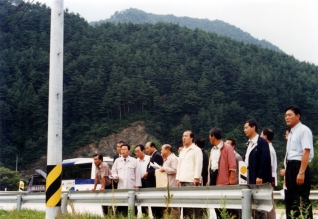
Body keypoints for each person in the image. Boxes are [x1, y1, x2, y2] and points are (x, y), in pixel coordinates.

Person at [283, 106, 314, 219]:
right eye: (285, 115)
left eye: (290, 115)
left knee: (301, 199)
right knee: (290, 199)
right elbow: (289, 154)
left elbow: (306, 151)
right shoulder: (291, 133)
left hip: (299, 166)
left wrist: (301, 172)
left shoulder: (304, 130)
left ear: (298, 116)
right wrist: (286, 173)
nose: (287, 117)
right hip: (290, 166)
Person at [243, 119, 272, 219]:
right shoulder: (249, 143)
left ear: (253, 127)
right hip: (249, 177)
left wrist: (260, 175)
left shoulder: (261, 142)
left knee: (259, 207)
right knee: (252, 206)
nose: (244, 130)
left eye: (246, 128)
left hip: (258, 179)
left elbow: (264, 160)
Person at [207, 128, 237, 219]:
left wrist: (231, 181)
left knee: (225, 206)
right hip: (213, 178)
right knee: (216, 205)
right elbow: (211, 165)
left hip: (224, 180)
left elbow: (232, 165)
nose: (209, 138)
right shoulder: (213, 149)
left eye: (210, 136)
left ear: (213, 137)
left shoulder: (227, 148)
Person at [176, 130, 203, 218]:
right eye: (183, 136)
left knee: (196, 203)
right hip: (183, 179)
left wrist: (196, 177)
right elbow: (179, 165)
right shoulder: (182, 150)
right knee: (186, 203)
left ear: (191, 138)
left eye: (186, 136)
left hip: (192, 180)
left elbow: (198, 164)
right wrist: (178, 178)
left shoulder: (196, 149)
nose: (184, 138)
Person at [143, 141, 164, 218]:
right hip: (150, 182)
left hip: (154, 183)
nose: (146, 150)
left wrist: (148, 173)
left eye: (147, 148)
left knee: (156, 205)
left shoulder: (157, 156)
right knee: (153, 205)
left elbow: (158, 169)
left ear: (153, 147)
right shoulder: (153, 156)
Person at [261, 128, 277, 219]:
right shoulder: (270, 148)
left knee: (268, 205)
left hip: (268, 180)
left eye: (261, 134)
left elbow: (269, 166)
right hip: (270, 180)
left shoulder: (268, 149)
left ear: (265, 136)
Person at [160, 144, 180, 218]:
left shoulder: (173, 158)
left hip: (172, 185)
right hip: (167, 185)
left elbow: (175, 170)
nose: (161, 151)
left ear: (167, 150)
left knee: (174, 206)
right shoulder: (167, 159)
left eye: (162, 149)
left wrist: (165, 169)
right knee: (167, 205)